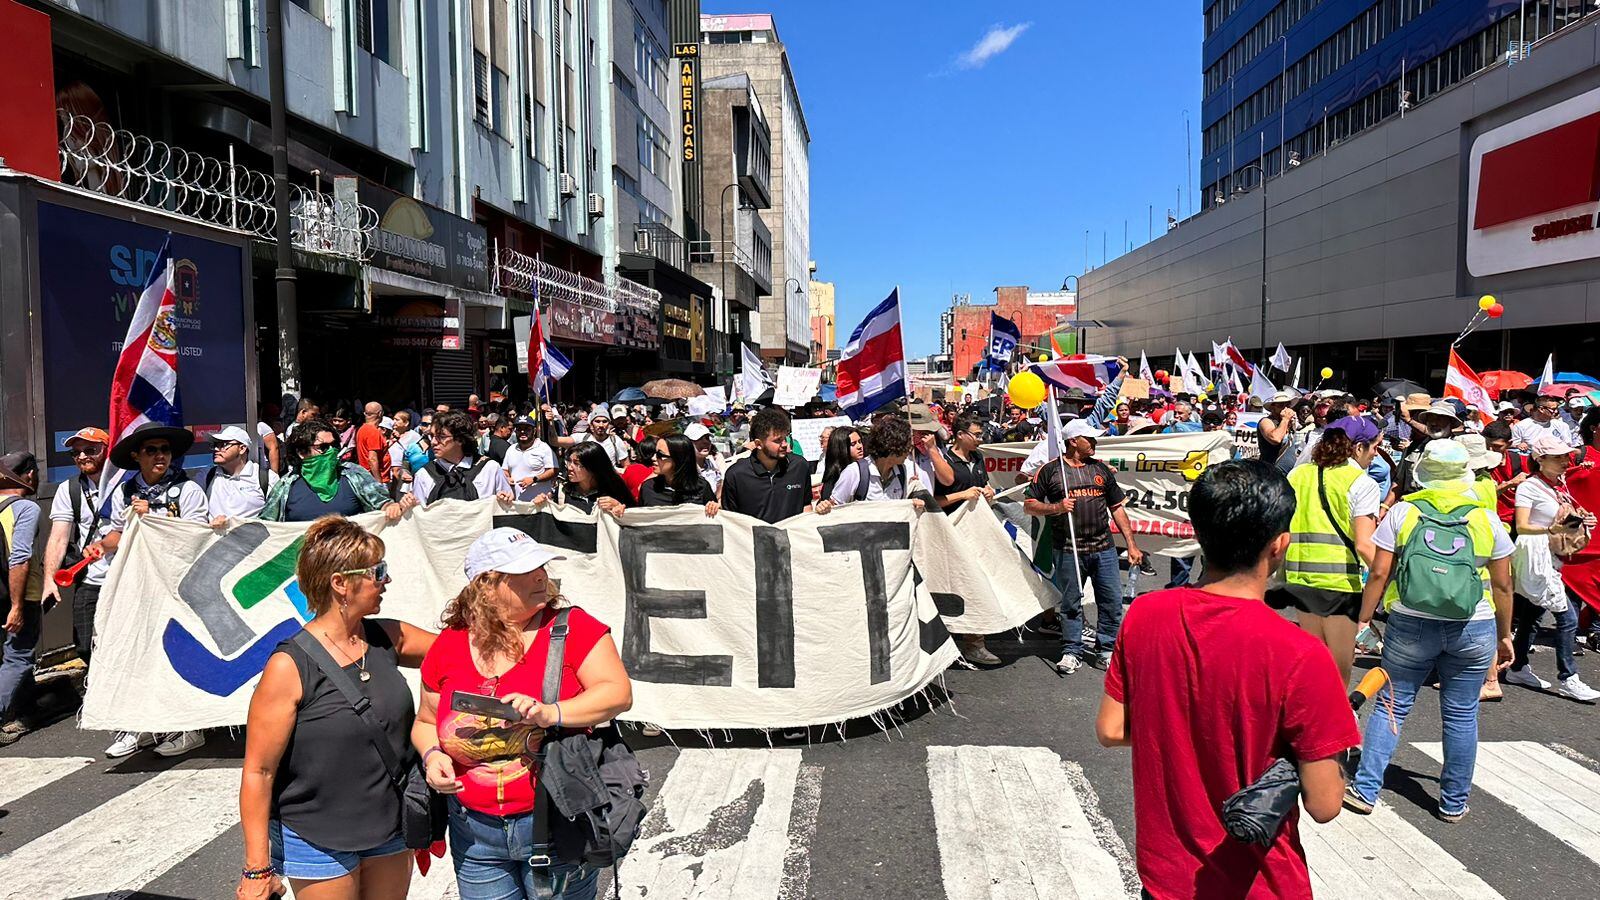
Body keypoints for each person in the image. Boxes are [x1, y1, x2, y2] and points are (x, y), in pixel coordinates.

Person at [1096, 459, 1355, 897]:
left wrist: (1184, 733)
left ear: (1198, 532)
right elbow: (1325, 803)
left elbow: (1110, 729)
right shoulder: (1301, 654)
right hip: (1258, 884)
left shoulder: (1145, 614)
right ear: (1279, 545)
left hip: (1165, 879)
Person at [414, 528, 633, 900]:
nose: (540, 576)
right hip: (474, 833)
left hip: (555, 821)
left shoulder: (573, 628)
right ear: (485, 584)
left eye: (541, 567)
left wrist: (552, 712)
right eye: (525, 569)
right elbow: (425, 722)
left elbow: (618, 692)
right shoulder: (450, 643)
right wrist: (432, 755)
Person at [236, 517, 434, 900]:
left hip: (390, 828)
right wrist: (257, 868)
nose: (386, 580)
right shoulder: (289, 665)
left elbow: (460, 654)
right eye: (378, 571)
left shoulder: (387, 636)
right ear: (340, 583)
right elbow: (259, 771)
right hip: (318, 837)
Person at [1347, 439, 1514, 823]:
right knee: (1461, 714)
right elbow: (1504, 585)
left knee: (1392, 703)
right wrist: (1504, 636)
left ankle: (1366, 788)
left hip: (1410, 620)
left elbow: (1379, 571)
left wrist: (1363, 617)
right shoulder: (1486, 518)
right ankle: (1453, 802)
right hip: (1473, 626)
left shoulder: (1404, 511)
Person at [102, 422, 211, 759]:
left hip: (177, 585)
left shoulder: (188, 490)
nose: (160, 456)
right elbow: (116, 534)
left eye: (164, 450)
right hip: (139, 584)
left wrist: (153, 517)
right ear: (137, 456)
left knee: (177, 651)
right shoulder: (124, 491)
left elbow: (195, 536)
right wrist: (101, 546)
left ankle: (188, 728)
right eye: (152, 450)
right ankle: (134, 725)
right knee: (135, 650)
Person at [1023, 419, 1144, 673]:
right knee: (1071, 603)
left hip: (1104, 550)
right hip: (1068, 550)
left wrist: (1131, 545)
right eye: (1090, 438)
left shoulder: (1100, 470)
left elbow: (1117, 509)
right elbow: (1029, 504)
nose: (1095, 442)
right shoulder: (1050, 471)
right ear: (1073, 442)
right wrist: (1056, 507)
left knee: (1110, 601)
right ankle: (1071, 651)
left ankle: (1106, 649)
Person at [1269, 416, 1382, 685]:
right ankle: (1332, 722)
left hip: (1299, 579)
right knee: (1339, 671)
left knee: (1314, 659)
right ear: (1357, 448)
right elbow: (1365, 544)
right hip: (1339, 583)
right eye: (1375, 447)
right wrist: (1392, 575)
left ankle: (1309, 717)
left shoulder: (1298, 474)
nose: (1376, 454)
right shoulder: (1361, 483)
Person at [1502, 435, 1600, 702]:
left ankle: (1518, 666)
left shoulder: (1560, 484)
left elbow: (1566, 517)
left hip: (1554, 557)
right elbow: (1521, 526)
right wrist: (1551, 529)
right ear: (1539, 459)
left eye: (1565, 456)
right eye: (1557, 457)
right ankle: (1568, 677)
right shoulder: (1529, 487)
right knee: (1567, 618)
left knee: (1533, 614)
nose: (1564, 461)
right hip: (1537, 558)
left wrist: (1583, 519)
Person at [40, 427, 112, 669]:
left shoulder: (126, 484)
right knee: (83, 644)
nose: (82, 457)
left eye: (91, 450)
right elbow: (58, 538)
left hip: (125, 577)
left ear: (107, 450)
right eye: (76, 452)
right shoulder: (69, 489)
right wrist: (50, 579)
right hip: (90, 579)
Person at [262, 419, 409, 523]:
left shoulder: (354, 475)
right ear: (301, 452)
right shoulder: (286, 486)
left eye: (334, 445)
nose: (331, 451)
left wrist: (393, 507)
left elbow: (382, 504)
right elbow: (266, 525)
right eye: (323, 447)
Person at [0, 452, 43, 746]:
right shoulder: (25, 508)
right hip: (19, 595)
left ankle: (26, 709)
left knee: (11, 658)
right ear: (27, 475)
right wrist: (17, 606)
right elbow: (20, 557)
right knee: (18, 656)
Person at [719, 407, 817, 524]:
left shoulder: (799, 466)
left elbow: (806, 505)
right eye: (777, 440)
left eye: (785, 438)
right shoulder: (736, 475)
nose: (785, 444)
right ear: (758, 444)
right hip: (754, 540)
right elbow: (730, 520)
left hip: (793, 539)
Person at [819, 415, 933, 511]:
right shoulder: (854, 472)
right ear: (893, 447)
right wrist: (824, 508)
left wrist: (911, 504)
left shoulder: (902, 472)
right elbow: (835, 510)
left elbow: (898, 508)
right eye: (906, 446)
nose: (909, 450)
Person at [411, 410, 513, 506]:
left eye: (441, 436)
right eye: (432, 436)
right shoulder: (424, 475)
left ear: (460, 439)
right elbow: (418, 516)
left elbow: (506, 509)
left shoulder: (489, 468)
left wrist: (506, 500)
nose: (433, 442)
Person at [205, 425, 278, 524]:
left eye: (224, 444)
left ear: (242, 448)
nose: (217, 449)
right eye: (215, 445)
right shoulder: (206, 476)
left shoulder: (267, 478)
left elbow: (277, 518)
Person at [537, 443, 633, 517]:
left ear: (593, 466)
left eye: (576, 463)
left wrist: (620, 507)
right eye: (569, 462)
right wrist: (541, 503)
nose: (570, 467)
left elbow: (636, 518)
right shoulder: (562, 492)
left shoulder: (614, 489)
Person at [636, 433, 718, 513]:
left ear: (678, 459)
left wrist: (714, 507)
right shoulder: (648, 488)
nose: (653, 458)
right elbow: (639, 520)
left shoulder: (702, 488)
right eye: (655, 453)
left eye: (660, 455)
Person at [503, 415, 559, 503]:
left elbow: (554, 470)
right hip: (516, 504)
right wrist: (507, 478)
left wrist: (534, 479)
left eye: (527, 429)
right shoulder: (511, 449)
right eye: (519, 429)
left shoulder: (543, 448)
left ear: (534, 431)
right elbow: (505, 470)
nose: (522, 432)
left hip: (539, 504)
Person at [818, 425, 865, 502]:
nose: (859, 446)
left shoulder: (866, 467)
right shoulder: (834, 479)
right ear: (842, 447)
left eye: (860, 442)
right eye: (853, 444)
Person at [1513, 395, 1577, 449]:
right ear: (1541, 409)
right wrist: (1518, 446)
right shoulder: (1520, 426)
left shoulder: (1562, 425)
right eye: (1553, 409)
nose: (1556, 412)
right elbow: (1514, 447)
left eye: (1557, 409)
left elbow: (1568, 445)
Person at [1256, 390, 1296, 469]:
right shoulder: (1266, 421)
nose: (1285, 408)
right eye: (1281, 405)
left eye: (1288, 405)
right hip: (1271, 472)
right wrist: (1285, 419)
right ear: (1272, 407)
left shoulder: (1288, 422)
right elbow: (1275, 439)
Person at [355, 402, 387, 481]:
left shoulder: (361, 429)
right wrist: (379, 482)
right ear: (380, 413)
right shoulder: (373, 431)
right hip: (373, 478)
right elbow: (372, 459)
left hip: (365, 476)